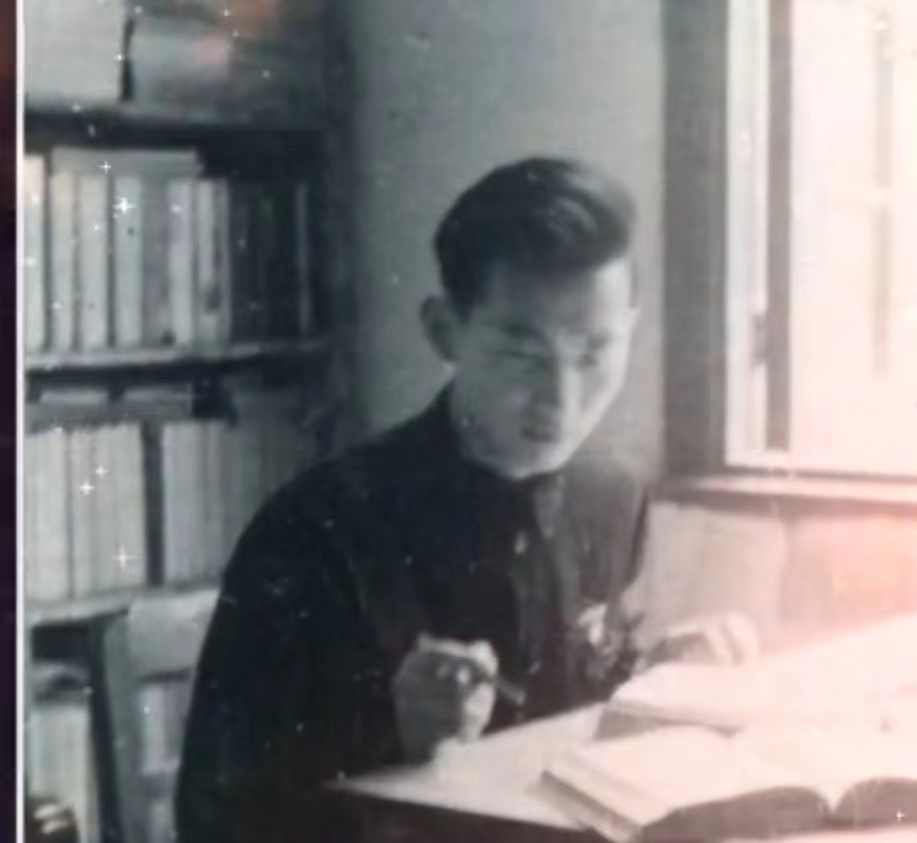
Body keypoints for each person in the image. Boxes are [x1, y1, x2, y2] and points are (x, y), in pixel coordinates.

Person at [175, 157, 752, 843]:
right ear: (444, 330)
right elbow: (216, 816)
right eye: (523, 355)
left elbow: (575, 716)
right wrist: (392, 733)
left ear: (631, 327)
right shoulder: (315, 529)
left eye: (594, 352)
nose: (561, 400)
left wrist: (657, 684)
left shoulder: (612, 499)